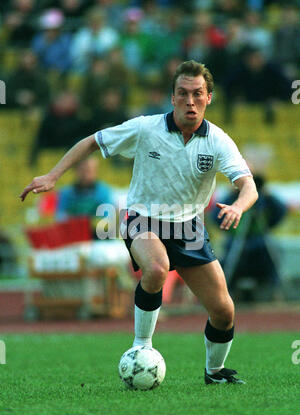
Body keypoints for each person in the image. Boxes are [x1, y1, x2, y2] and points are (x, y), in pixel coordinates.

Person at [20, 60, 258, 385]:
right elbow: (92, 141)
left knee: (224, 311)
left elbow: (248, 186)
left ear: (209, 98)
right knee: (157, 268)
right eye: (183, 93)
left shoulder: (218, 141)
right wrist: (52, 175)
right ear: (172, 97)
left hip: (188, 228)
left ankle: (214, 373)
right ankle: (140, 347)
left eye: (198, 93)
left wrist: (239, 207)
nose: (190, 100)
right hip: (141, 217)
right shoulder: (146, 128)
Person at [211, 173, 288, 301]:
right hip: (236, 242)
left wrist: (267, 194)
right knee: (227, 262)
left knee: (273, 256)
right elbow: (215, 216)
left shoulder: (263, 199)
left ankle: (274, 293)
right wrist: (234, 195)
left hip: (260, 242)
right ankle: (225, 294)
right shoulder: (231, 198)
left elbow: (280, 211)